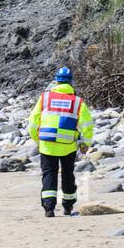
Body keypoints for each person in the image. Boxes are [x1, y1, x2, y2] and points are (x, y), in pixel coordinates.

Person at [27, 66, 95, 217]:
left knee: (49, 174)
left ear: (56, 81)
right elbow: (87, 125)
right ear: (71, 83)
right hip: (68, 146)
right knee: (67, 174)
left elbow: (33, 121)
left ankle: (49, 208)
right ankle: (68, 207)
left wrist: (37, 139)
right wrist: (85, 143)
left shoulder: (45, 98)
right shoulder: (77, 102)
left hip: (47, 145)